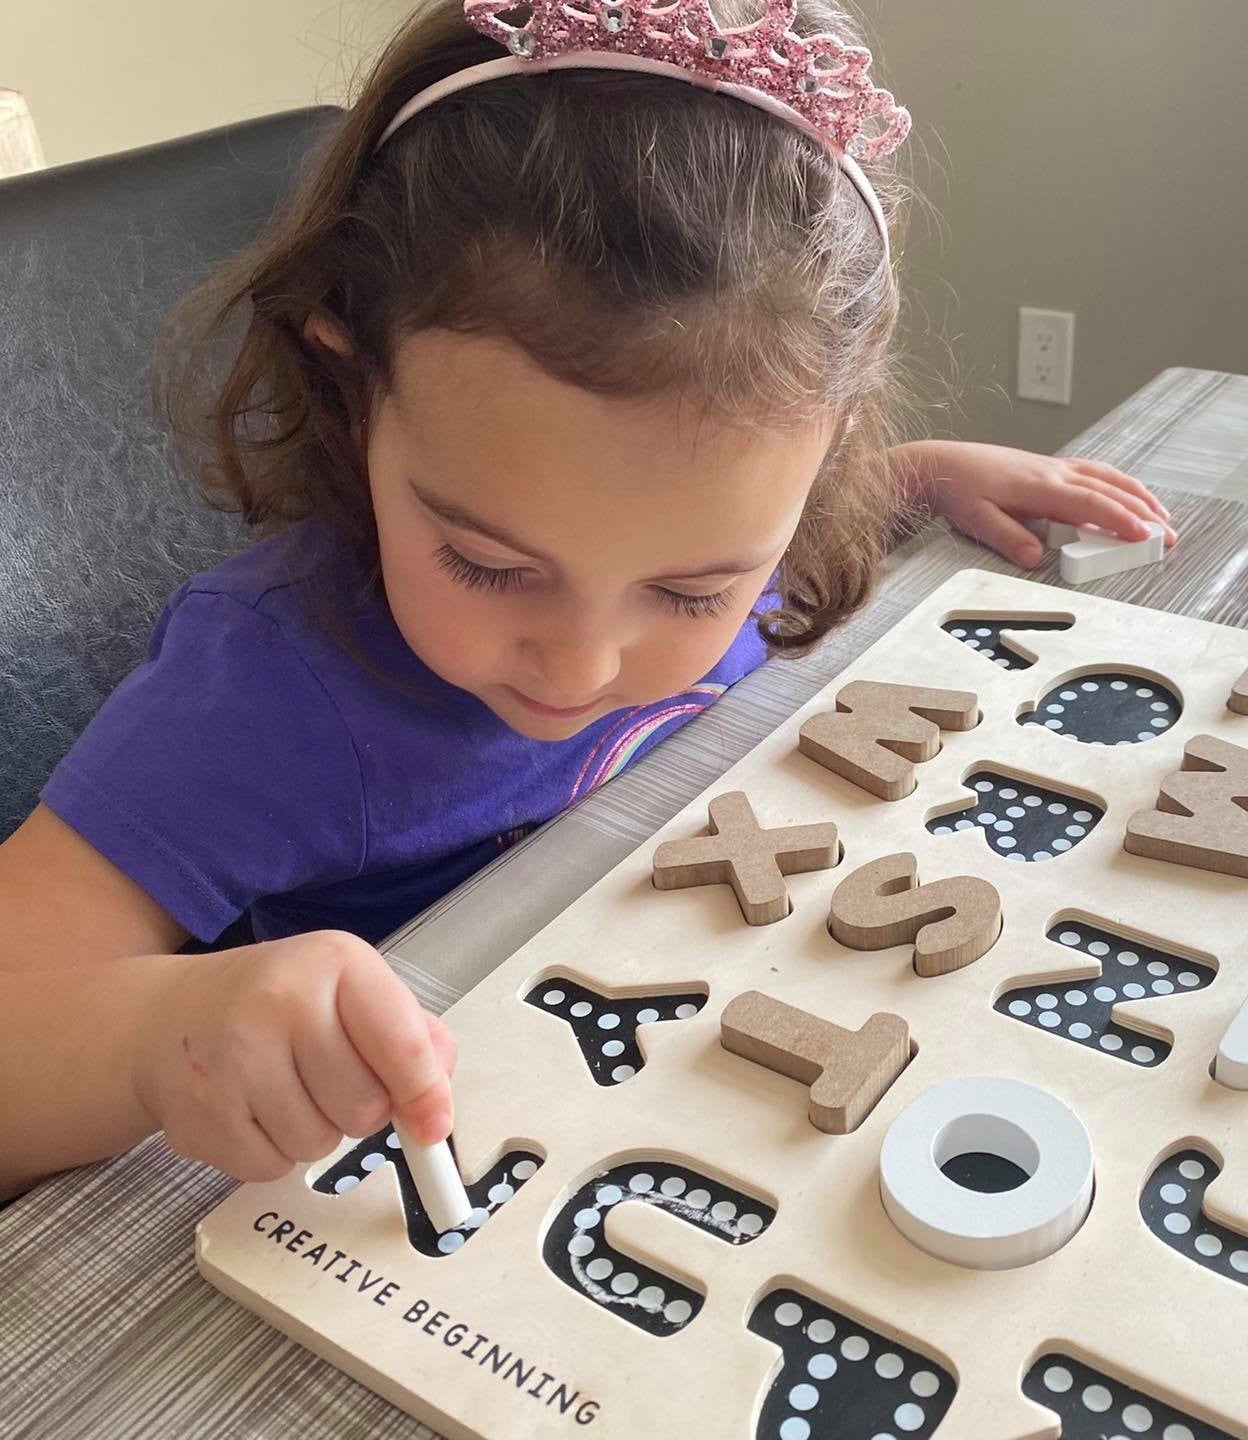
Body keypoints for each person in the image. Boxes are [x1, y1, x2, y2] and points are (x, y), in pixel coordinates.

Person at [0, 0, 1173, 1200]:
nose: (578, 668)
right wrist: (149, 1043)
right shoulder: (257, 697)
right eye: (490, 567)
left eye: (694, 589)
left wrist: (913, 477)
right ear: (355, 388)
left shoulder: (750, 529)